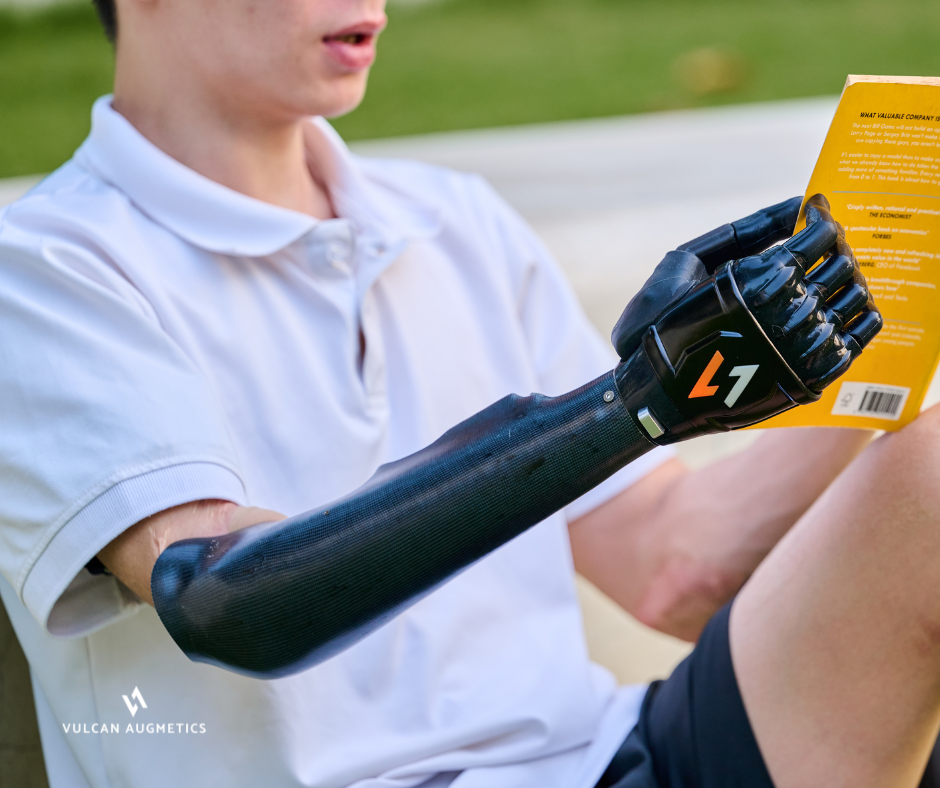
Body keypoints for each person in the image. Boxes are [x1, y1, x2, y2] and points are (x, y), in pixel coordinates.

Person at [0, 1, 936, 787]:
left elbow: (675, 567)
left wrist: (881, 321)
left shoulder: (455, 220)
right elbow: (224, 600)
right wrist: (632, 406)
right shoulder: (47, 275)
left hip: (612, 759)